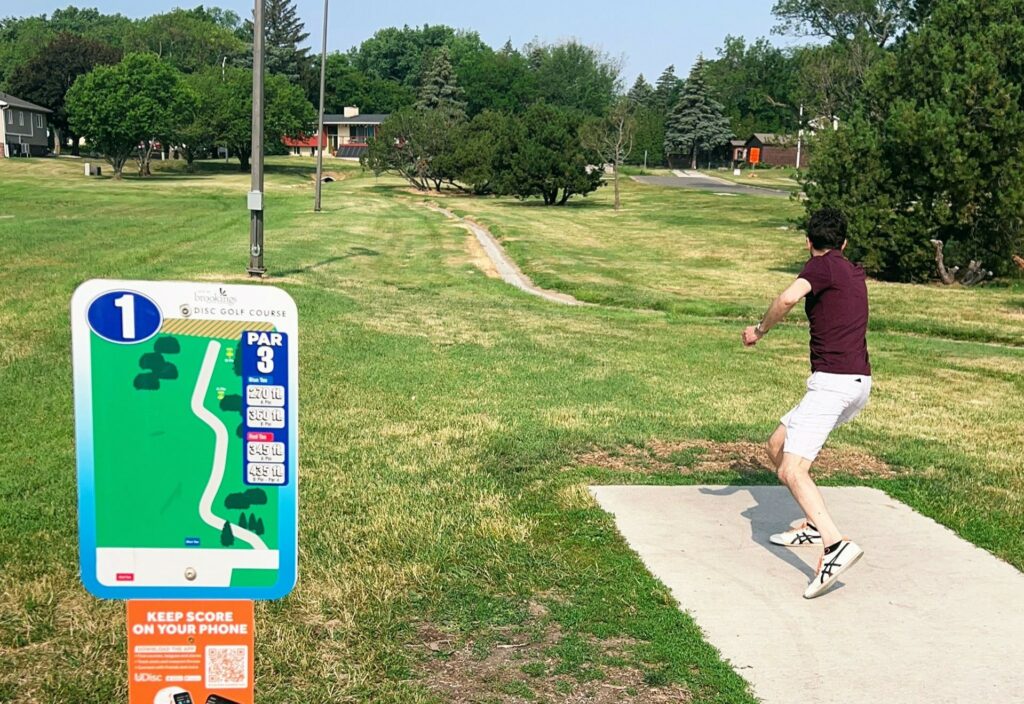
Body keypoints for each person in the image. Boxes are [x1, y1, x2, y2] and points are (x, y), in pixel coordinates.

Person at [742, 207, 872, 599]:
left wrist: (760, 330)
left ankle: (834, 545)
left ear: (808, 242)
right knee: (777, 446)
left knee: (792, 471)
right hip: (855, 381)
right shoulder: (852, 269)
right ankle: (815, 527)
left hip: (833, 384)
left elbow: (786, 298)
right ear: (845, 243)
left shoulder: (821, 266)